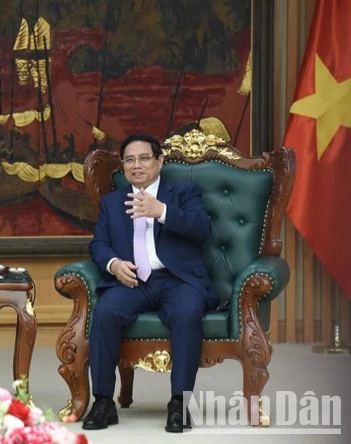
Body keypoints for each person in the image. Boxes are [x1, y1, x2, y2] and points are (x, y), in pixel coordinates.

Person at [82, 133, 217, 433]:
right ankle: (103, 401)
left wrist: (162, 212)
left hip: (177, 280)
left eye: (144, 158)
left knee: (186, 314)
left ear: (159, 161)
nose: (137, 165)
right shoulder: (112, 202)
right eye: (129, 160)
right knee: (105, 313)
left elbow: (202, 229)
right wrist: (113, 264)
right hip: (132, 281)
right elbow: (98, 245)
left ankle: (179, 404)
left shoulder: (182, 193)